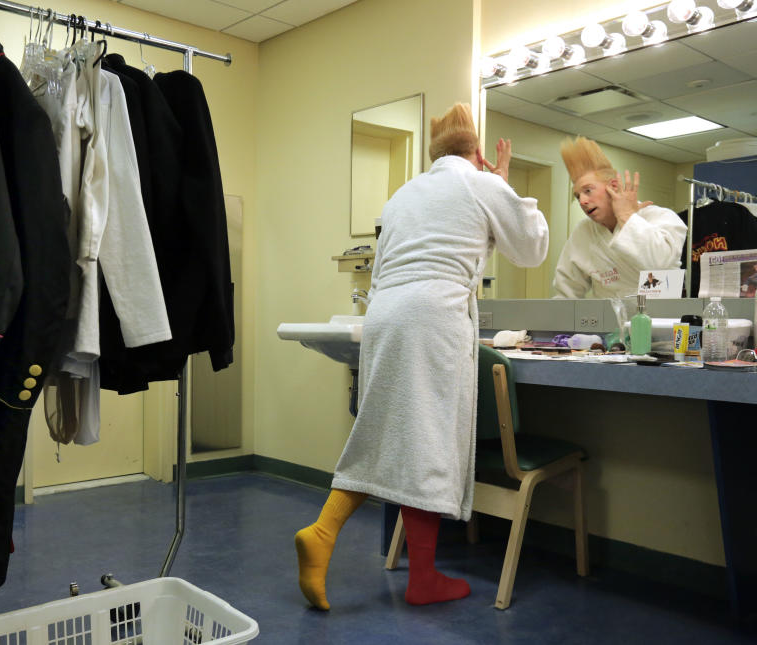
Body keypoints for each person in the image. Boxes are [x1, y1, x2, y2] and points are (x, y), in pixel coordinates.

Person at [294, 104, 549, 610]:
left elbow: (384, 264)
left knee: (391, 438)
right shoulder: (481, 183)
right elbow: (533, 249)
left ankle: (335, 537)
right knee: (427, 445)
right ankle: (413, 573)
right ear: (477, 152)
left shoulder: (403, 195)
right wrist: (505, 184)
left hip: (385, 314)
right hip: (434, 316)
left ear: (434, 152)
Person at [553, 136, 687, 299]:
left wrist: (626, 216)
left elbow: (657, 264)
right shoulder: (584, 232)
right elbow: (566, 292)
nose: (582, 201)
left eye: (588, 190)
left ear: (613, 186)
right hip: (609, 322)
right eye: (577, 195)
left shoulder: (662, 218)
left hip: (663, 319)